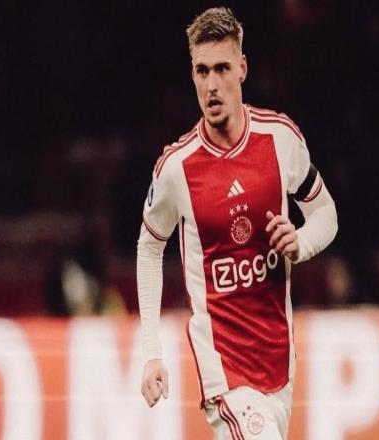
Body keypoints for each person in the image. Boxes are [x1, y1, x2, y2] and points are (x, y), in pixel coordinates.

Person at [137, 7, 337, 439]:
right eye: (201, 71)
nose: (211, 84)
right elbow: (150, 246)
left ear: (242, 69)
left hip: (278, 361)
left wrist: (300, 242)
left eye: (222, 68)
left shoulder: (280, 138)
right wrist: (152, 351)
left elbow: (326, 214)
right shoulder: (176, 167)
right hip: (224, 371)